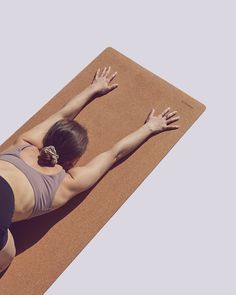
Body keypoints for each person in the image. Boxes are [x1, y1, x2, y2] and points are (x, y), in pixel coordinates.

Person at [0, 66, 180, 272]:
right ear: (75, 160)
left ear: (48, 136)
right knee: (8, 254)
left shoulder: (23, 143)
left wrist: (94, 88)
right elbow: (114, 154)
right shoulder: (66, 184)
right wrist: (149, 127)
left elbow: (63, 113)